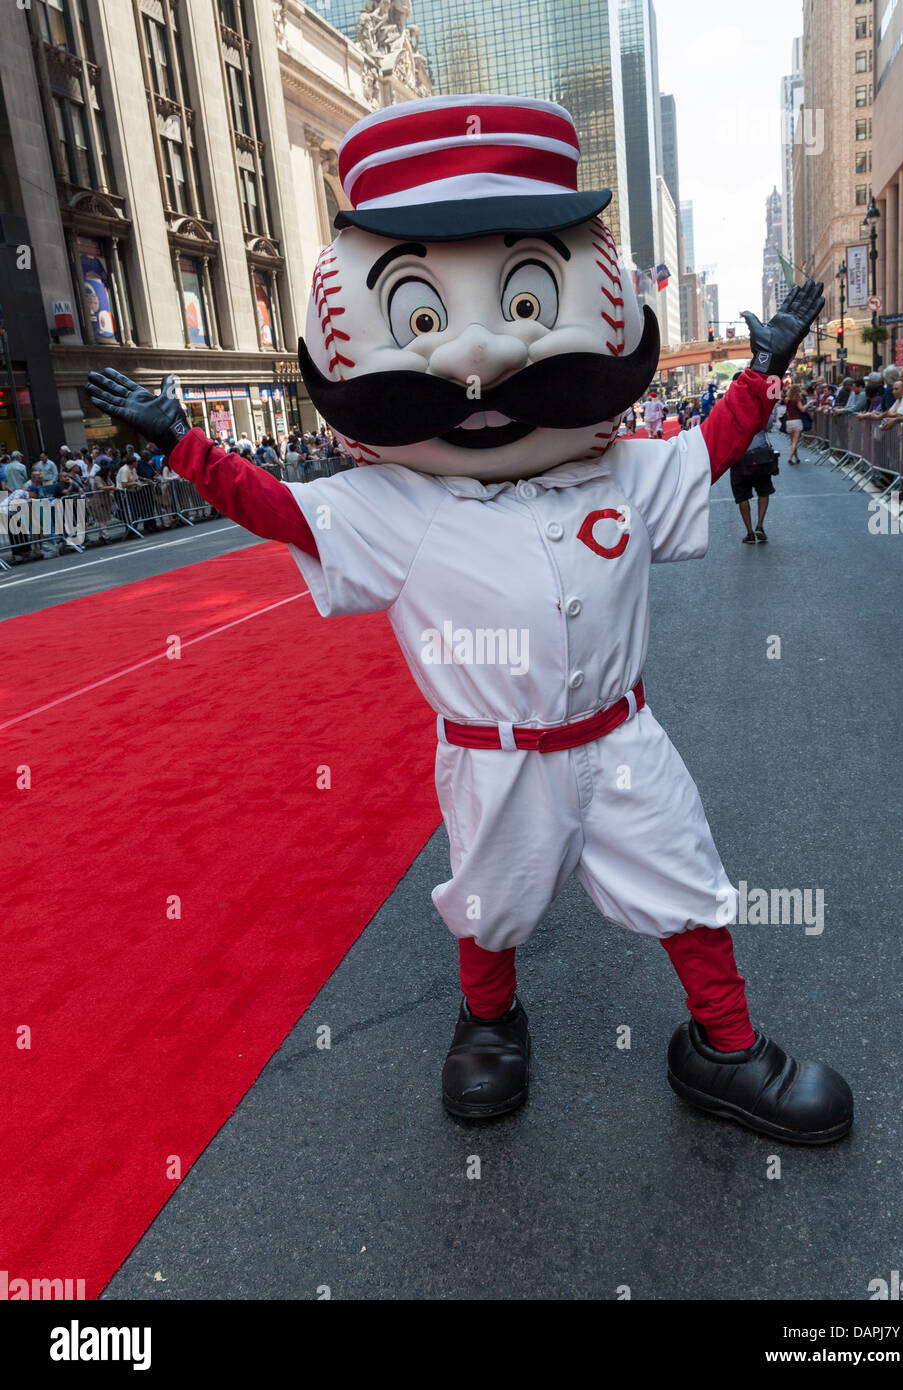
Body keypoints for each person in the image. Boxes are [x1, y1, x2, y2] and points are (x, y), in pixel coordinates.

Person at [87, 93, 851, 1146]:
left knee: (689, 882)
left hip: (620, 736)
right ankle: (488, 1021)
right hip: (493, 756)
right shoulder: (394, 503)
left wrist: (760, 374)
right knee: (488, 902)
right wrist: (188, 445)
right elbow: (287, 514)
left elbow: (700, 454)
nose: (479, 362)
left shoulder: (617, 469)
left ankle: (722, 1047)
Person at [784, 384, 805, 463]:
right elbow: (802, 409)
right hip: (796, 421)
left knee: (792, 442)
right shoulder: (797, 400)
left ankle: (796, 458)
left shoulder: (787, 399)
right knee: (795, 442)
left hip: (788, 422)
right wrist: (809, 403)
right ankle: (789, 458)